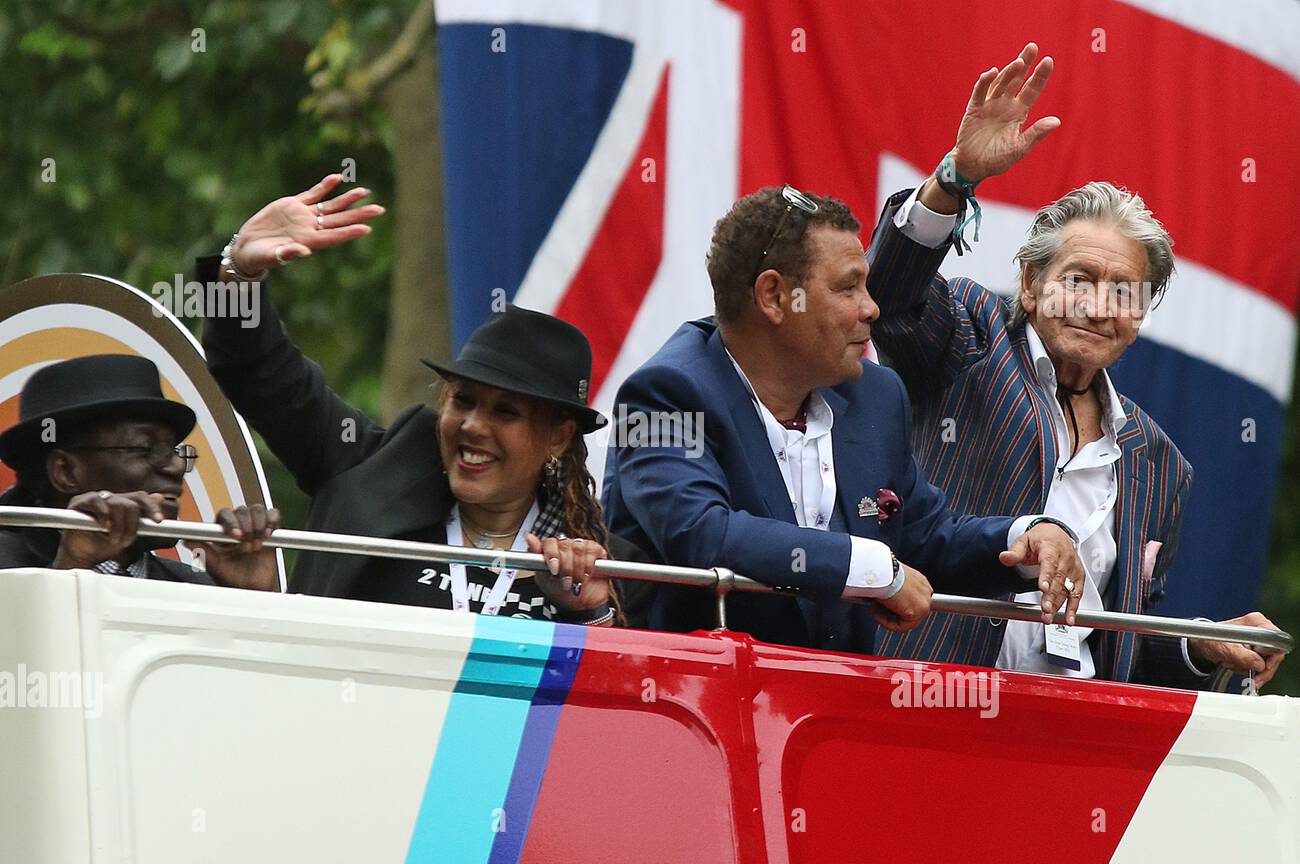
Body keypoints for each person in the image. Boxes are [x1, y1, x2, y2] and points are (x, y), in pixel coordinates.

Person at [865, 43, 1284, 689]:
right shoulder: (970, 335)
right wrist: (953, 180)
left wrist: (1206, 650)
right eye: (1079, 278)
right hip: (925, 698)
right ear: (1030, 284)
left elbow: (1121, 644)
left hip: (1070, 733)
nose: (1096, 306)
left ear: (1140, 314)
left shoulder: (1161, 462)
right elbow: (887, 297)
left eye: (1122, 291)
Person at [601, 178, 1086, 652]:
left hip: (834, 714)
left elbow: (925, 538)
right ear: (774, 297)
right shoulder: (663, 393)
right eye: (848, 288)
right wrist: (872, 566)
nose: (872, 309)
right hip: (689, 708)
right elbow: (701, 533)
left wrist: (1025, 538)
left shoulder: (875, 396)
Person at [194, 177, 649, 626]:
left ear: (558, 436)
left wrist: (590, 612)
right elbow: (262, 376)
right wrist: (237, 274)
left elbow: (630, 692)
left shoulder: (600, 566)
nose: (472, 425)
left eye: (505, 411)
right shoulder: (367, 468)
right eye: (463, 400)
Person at [0, 353, 279, 589]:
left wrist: (251, 599)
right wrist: (74, 566)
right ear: (67, 472)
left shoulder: (193, 586)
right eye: (148, 449)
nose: (178, 466)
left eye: (174, 450)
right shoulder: (8, 567)